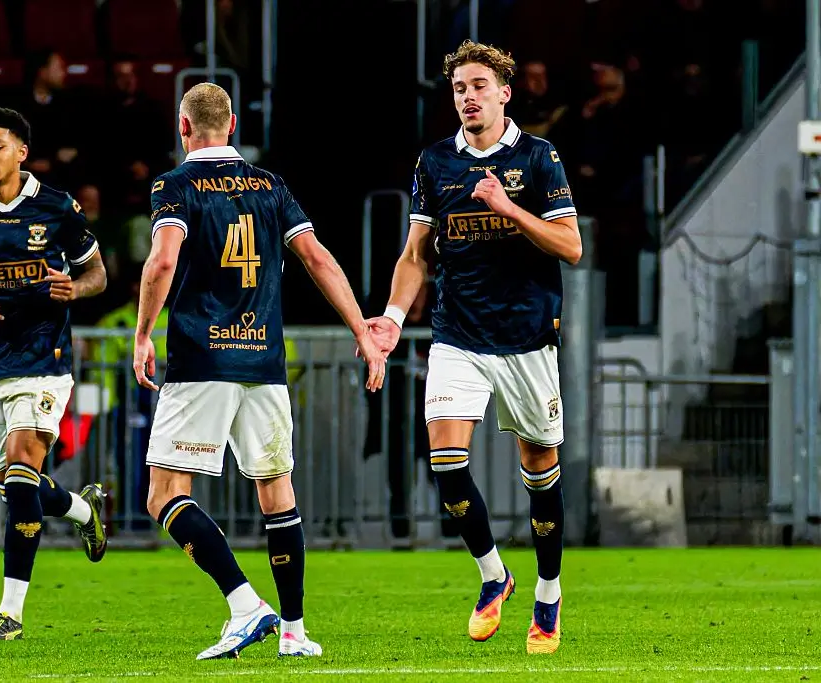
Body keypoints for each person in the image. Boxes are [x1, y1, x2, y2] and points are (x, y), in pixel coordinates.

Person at [132, 82, 385, 660]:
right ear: (234, 125)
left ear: (183, 126)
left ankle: (245, 605)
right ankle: (296, 632)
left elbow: (164, 257)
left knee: (164, 494)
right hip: (265, 361)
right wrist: (362, 333)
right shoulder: (270, 186)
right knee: (277, 490)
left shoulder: (176, 186)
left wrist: (144, 332)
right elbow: (317, 256)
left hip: (202, 360)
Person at [366, 41, 581, 655]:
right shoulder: (435, 162)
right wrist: (389, 316)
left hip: (529, 338)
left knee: (540, 471)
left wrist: (507, 207)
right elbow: (415, 256)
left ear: (505, 92)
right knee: (446, 458)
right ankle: (494, 577)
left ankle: (546, 591)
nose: (468, 96)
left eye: (480, 85)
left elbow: (571, 247)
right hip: (458, 334)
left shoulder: (539, 158)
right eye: (460, 87)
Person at [0, 108, 110, 641]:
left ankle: (10, 614)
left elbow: (97, 274)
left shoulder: (58, 208)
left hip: (44, 361)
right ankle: (84, 509)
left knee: (20, 468)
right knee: (19, 489)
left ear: (21, 153)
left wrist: (73, 290)